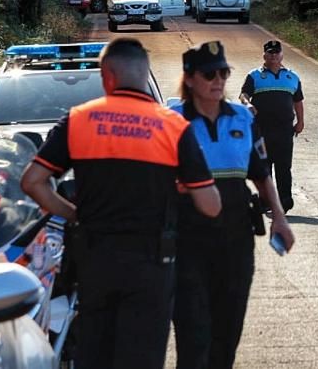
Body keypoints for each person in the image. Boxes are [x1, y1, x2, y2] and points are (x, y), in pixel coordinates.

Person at [21, 38, 222, 369]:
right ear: (145, 74)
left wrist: (75, 215)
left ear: (106, 75)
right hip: (153, 264)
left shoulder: (78, 121)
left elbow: (32, 182)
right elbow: (211, 205)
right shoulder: (173, 127)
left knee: (94, 352)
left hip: (95, 258)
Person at [173, 41, 296, 369]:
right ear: (189, 78)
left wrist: (280, 220)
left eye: (223, 73)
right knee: (194, 333)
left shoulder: (242, 118)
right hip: (187, 240)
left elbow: (261, 173)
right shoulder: (171, 121)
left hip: (235, 239)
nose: (218, 80)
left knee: (227, 333)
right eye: (209, 74)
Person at [241, 39, 304, 213]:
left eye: (276, 52)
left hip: (285, 130)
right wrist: (247, 104)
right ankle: (266, 201)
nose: (273, 56)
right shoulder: (254, 76)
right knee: (264, 167)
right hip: (262, 129)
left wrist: (300, 121)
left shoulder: (292, 77)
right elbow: (244, 94)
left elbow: (298, 101)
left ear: (282, 54)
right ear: (264, 55)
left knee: (284, 166)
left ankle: (285, 200)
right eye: (270, 53)